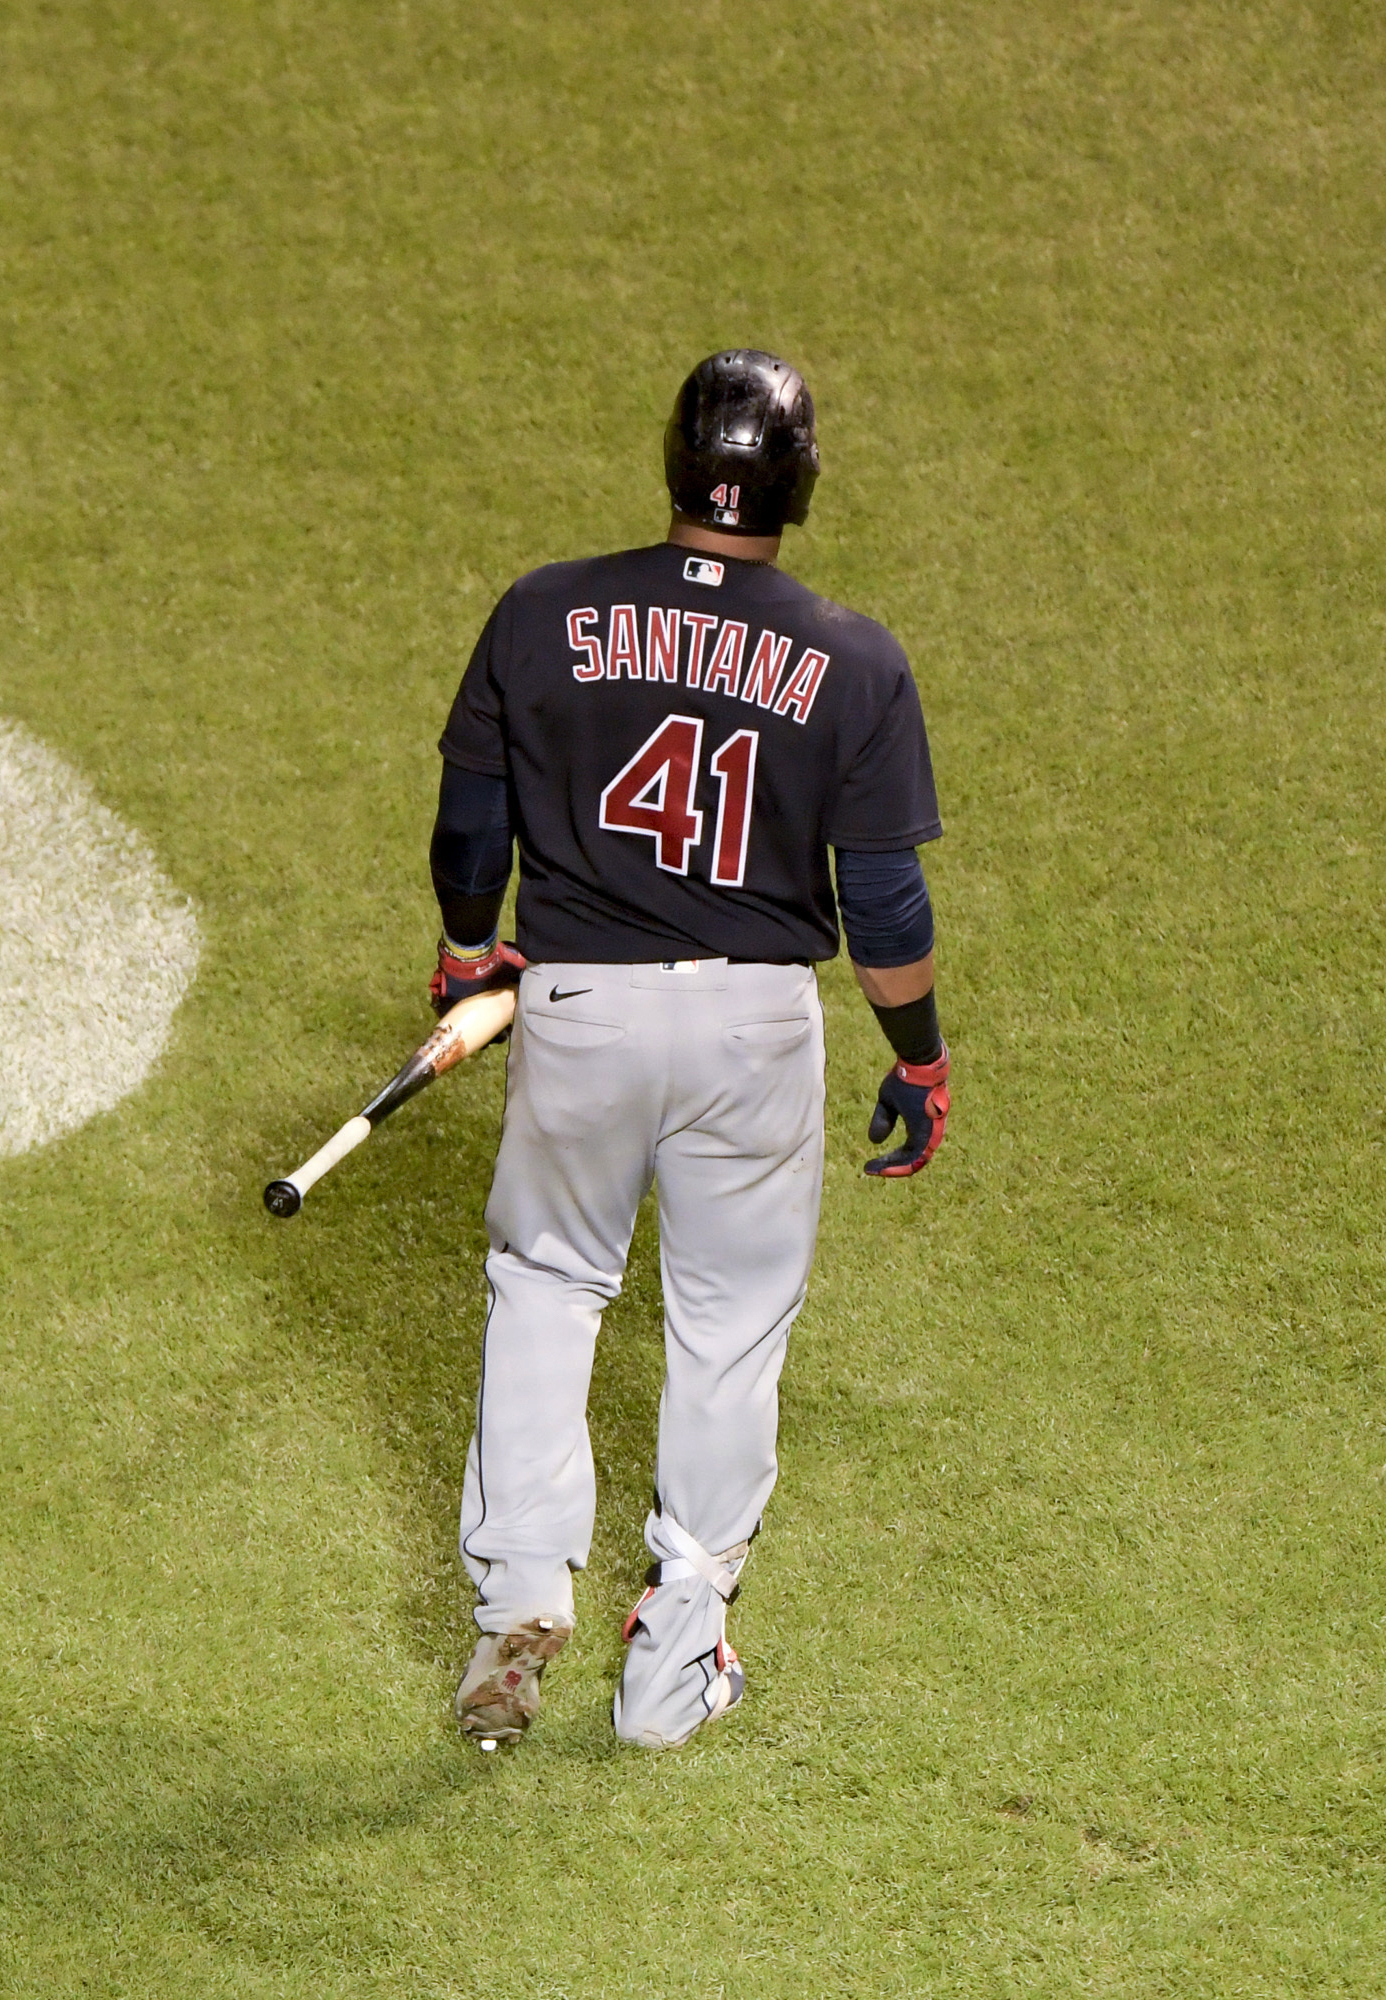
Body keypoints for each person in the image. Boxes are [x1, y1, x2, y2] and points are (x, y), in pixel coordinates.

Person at [425, 349, 948, 1750]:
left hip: (579, 1010)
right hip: (753, 1025)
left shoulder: (543, 613)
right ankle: (675, 1658)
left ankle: (521, 1590)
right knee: (726, 1329)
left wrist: (472, 955)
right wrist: (921, 1055)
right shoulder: (855, 657)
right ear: (801, 482)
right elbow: (886, 903)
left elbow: (475, 831)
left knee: (545, 1284)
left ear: (672, 463)